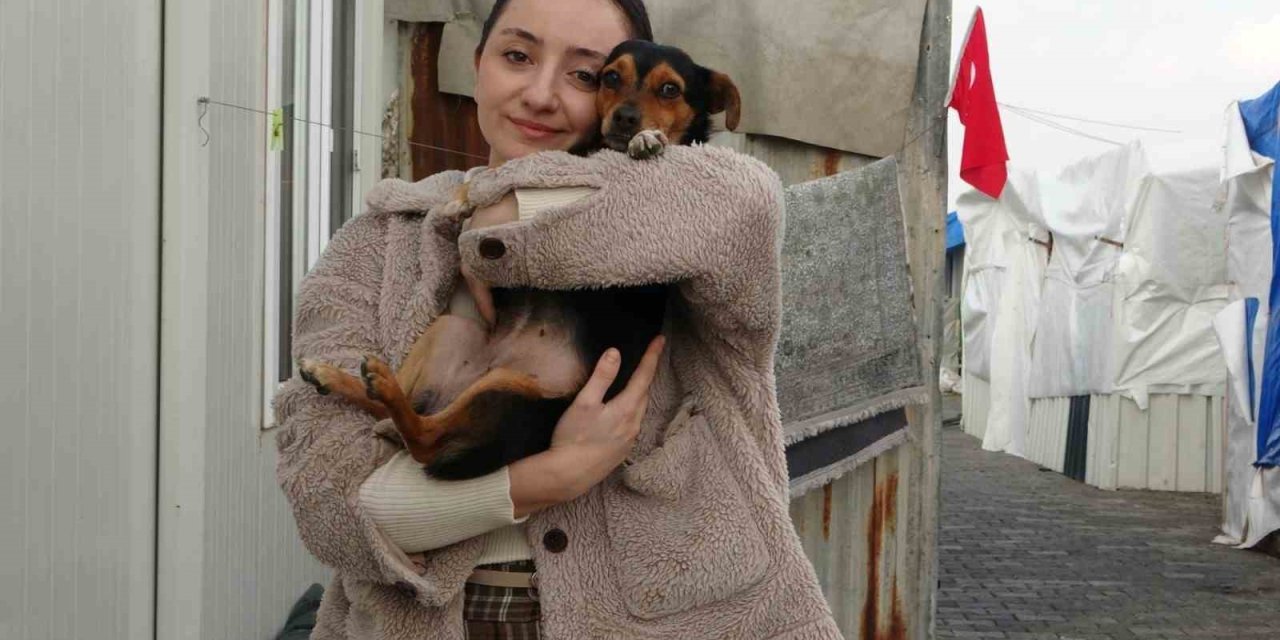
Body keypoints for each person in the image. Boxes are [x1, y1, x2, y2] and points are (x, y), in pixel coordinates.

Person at [274, 0, 842, 638]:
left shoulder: (703, 213)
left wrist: (501, 215)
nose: (540, 95)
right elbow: (325, 499)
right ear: (477, 64)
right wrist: (541, 479)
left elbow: (742, 199)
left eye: (580, 74)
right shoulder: (379, 242)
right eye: (517, 56)